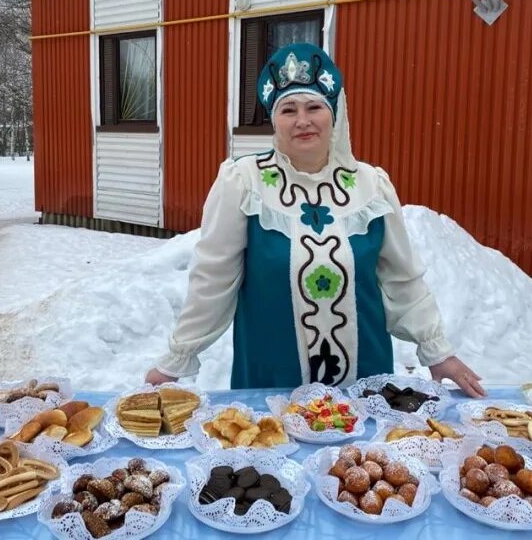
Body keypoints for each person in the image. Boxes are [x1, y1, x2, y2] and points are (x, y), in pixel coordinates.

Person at [145, 43, 485, 397]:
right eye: (288, 109)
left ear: (334, 113)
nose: (303, 120)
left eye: (314, 107)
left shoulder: (371, 186)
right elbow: (212, 280)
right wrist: (177, 358)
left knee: (358, 455)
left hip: (364, 381)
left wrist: (436, 349)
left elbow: (402, 278)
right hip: (273, 379)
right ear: (274, 119)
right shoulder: (245, 183)